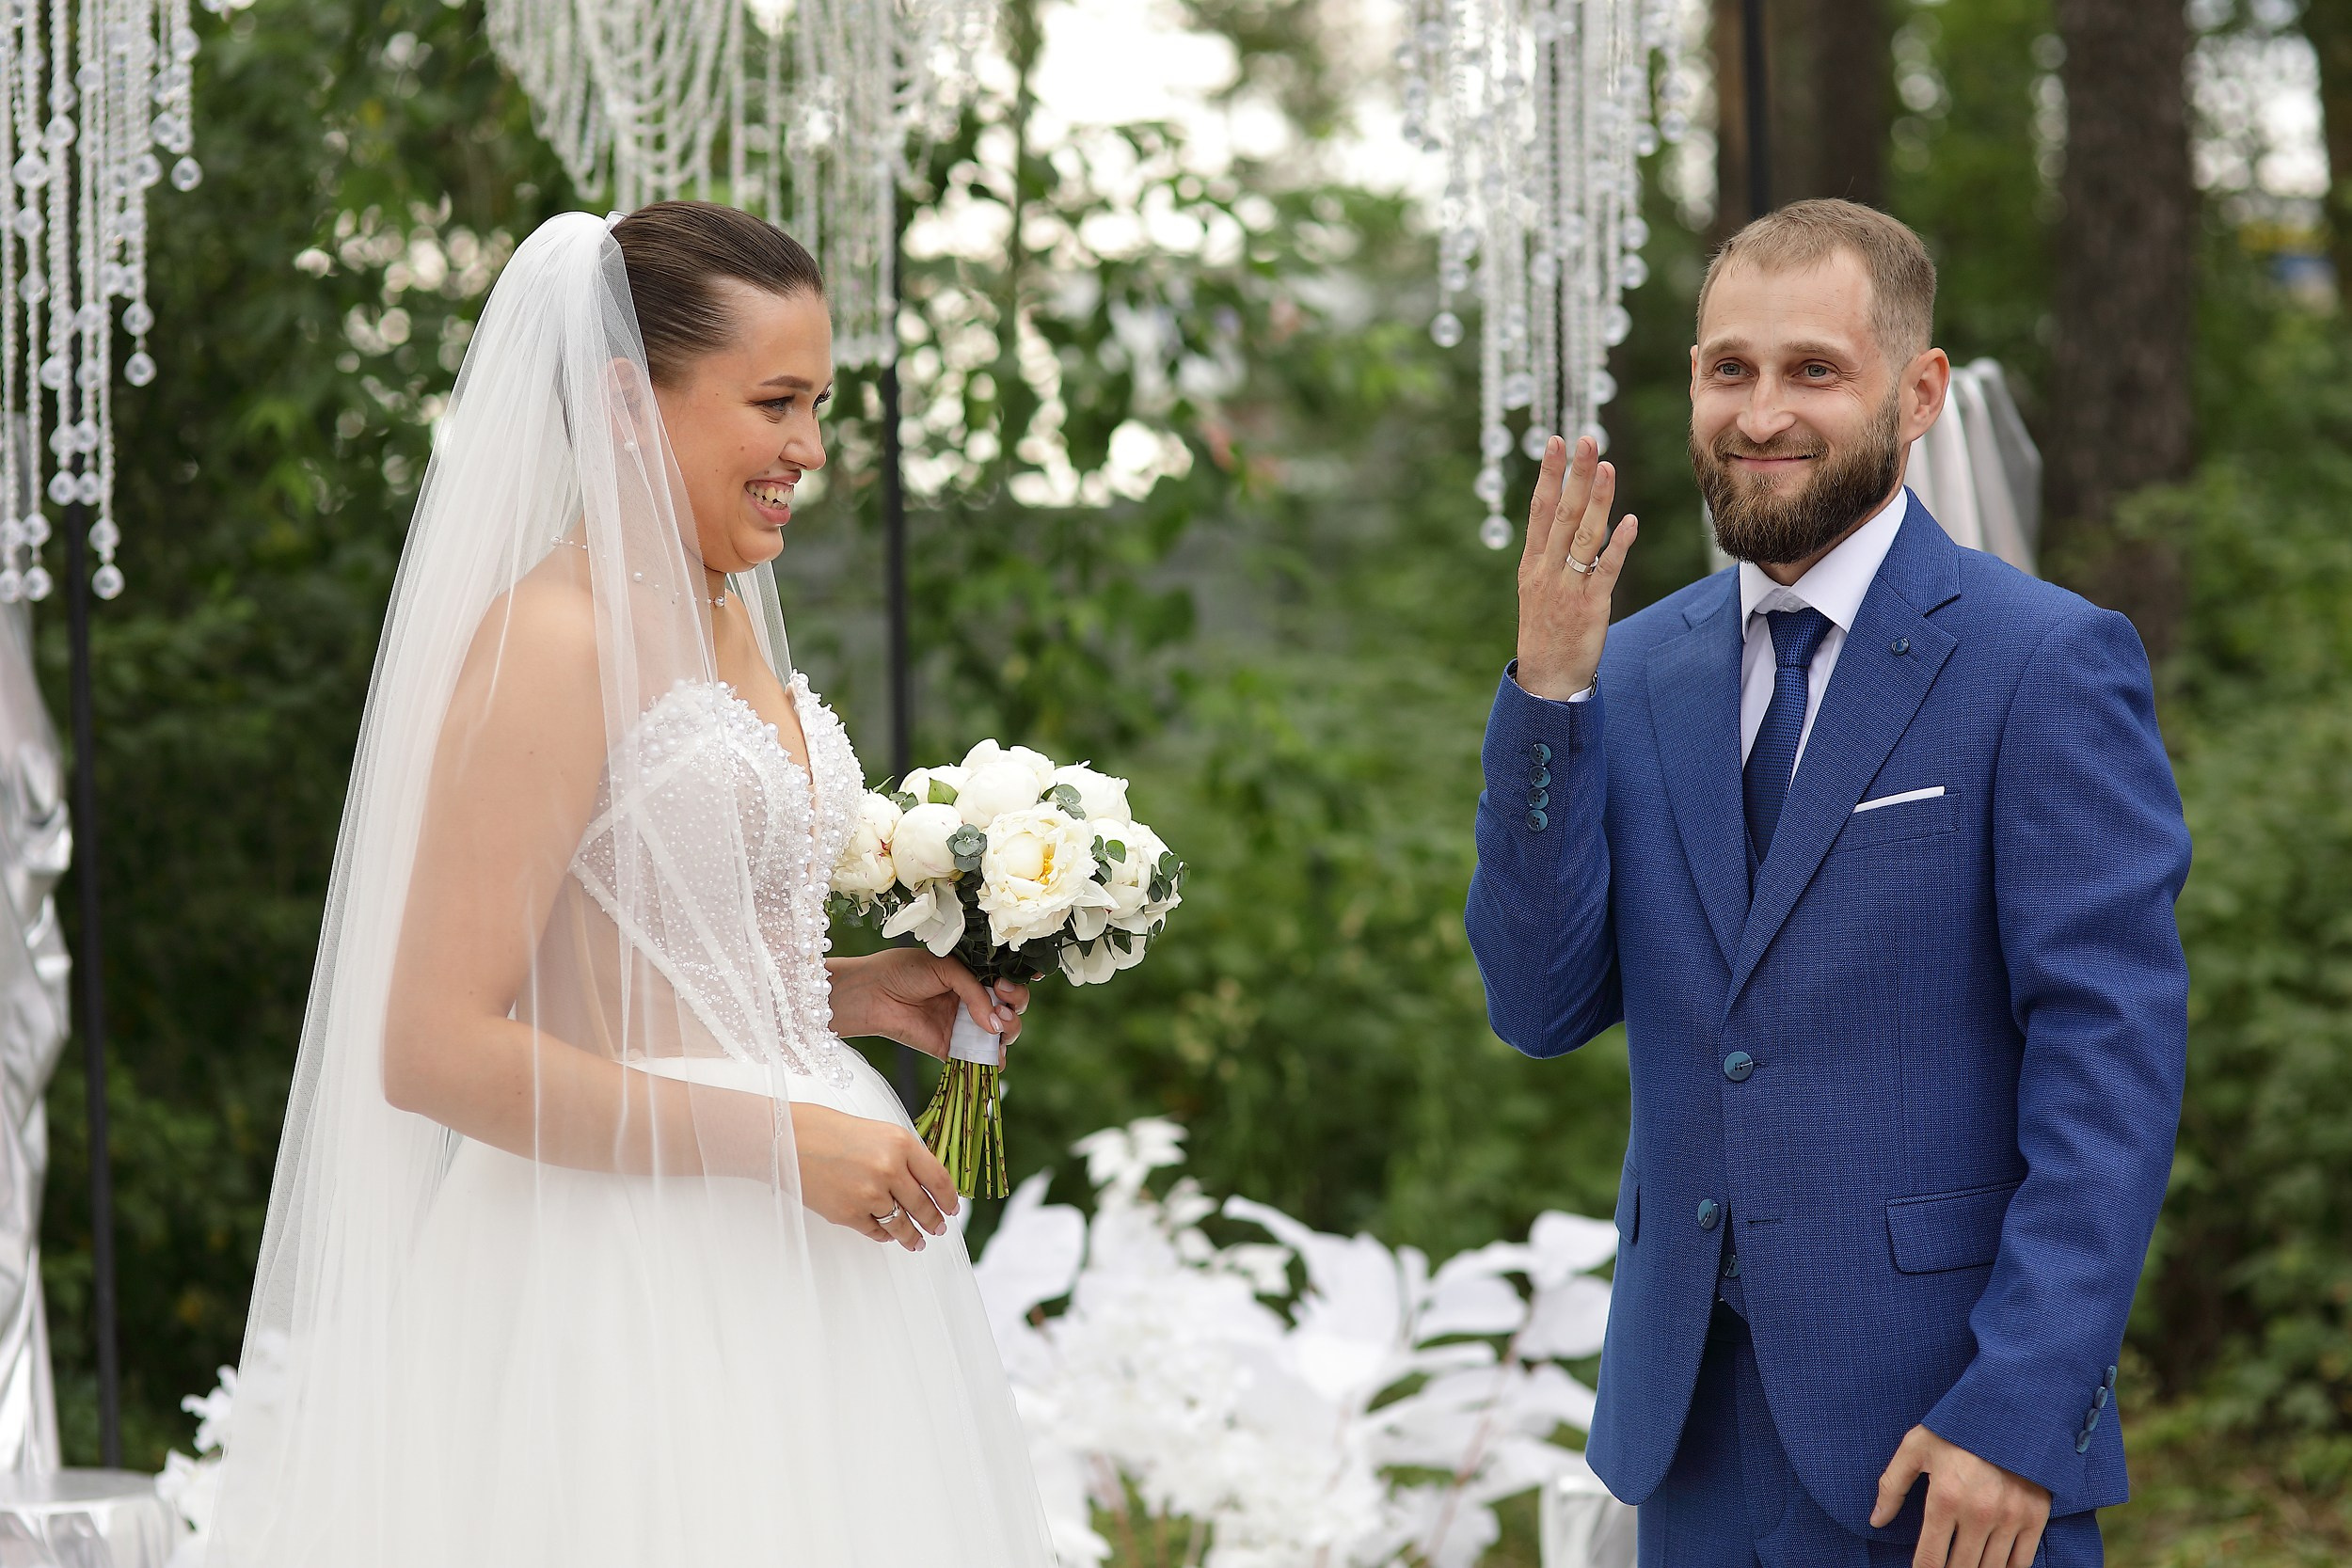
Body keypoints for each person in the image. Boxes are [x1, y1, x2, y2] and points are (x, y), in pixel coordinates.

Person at [206, 203, 1057, 1565]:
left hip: (810, 1264)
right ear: (624, 401)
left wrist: (845, 995)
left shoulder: (724, 613)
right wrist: (778, 1140)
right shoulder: (555, 642)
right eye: (774, 402)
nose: (809, 448)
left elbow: (644, 958)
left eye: (818, 405)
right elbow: (434, 1050)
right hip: (618, 1272)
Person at [1466, 199, 2189, 1568]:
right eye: (1728, 369)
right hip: (1687, 1435)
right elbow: (1538, 1004)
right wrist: (1548, 695)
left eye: (1813, 370)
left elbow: (2111, 1064)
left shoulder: (2044, 662)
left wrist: (2019, 1414)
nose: (1761, 414)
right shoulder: (1632, 666)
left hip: (1945, 1441)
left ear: (1918, 393)